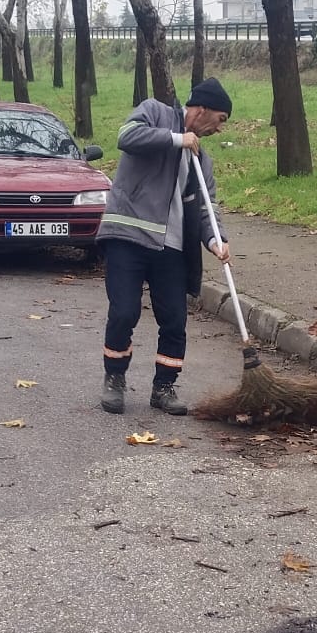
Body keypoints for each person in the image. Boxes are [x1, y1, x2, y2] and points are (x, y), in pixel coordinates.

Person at [97, 74, 232, 416]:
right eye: (221, 119)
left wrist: (216, 239)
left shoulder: (202, 161)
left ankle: (164, 387)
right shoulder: (155, 113)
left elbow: (206, 206)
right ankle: (115, 379)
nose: (220, 129)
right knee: (124, 311)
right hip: (128, 236)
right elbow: (126, 137)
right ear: (202, 109)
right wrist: (176, 139)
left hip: (171, 248)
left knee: (174, 320)